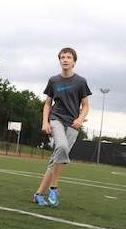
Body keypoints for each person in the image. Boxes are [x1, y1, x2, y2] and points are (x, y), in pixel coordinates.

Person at [33, 47, 91, 207]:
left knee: (56, 160)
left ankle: (38, 194)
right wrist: (45, 122)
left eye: (68, 57)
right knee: (62, 147)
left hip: (73, 123)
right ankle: (54, 188)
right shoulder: (54, 80)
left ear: (74, 62)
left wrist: (80, 118)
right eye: (62, 57)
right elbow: (47, 103)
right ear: (59, 61)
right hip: (56, 118)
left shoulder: (80, 82)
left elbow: (85, 106)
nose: (65, 59)